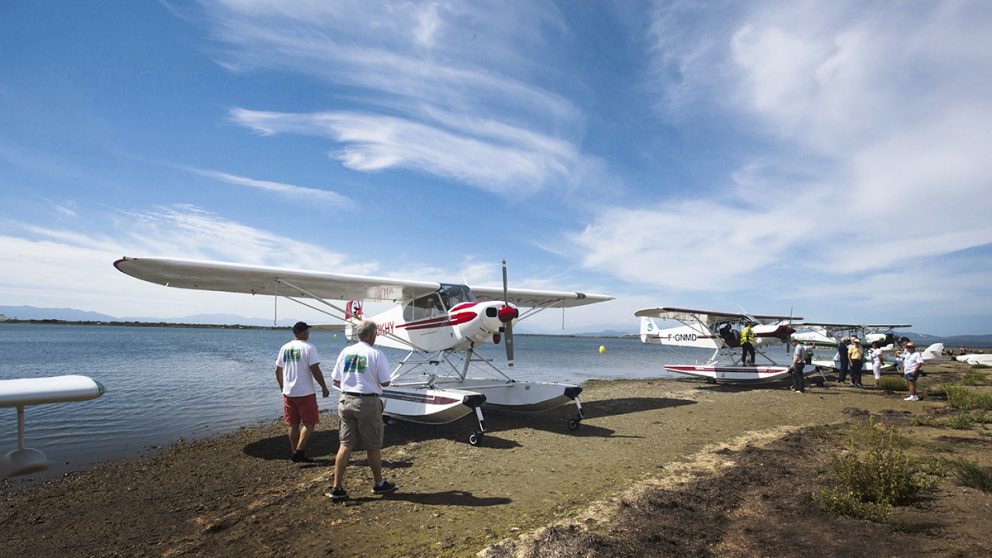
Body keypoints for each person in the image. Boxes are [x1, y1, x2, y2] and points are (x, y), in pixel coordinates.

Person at [327, 320, 396, 502]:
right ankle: (379, 483)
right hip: (367, 402)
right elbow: (386, 382)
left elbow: (335, 379)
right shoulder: (376, 354)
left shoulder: (345, 352)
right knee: (373, 445)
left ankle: (337, 487)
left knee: (345, 444)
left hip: (345, 400)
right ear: (372, 335)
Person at [275, 321, 331, 463]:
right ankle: (299, 451)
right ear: (303, 332)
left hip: (289, 392)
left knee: (293, 424)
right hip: (305, 392)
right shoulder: (309, 348)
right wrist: (324, 386)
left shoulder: (285, 348)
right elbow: (315, 369)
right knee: (309, 422)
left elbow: (278, 370)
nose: (308, 334)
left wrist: (282, 386)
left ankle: (296, 452)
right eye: (307, 331)